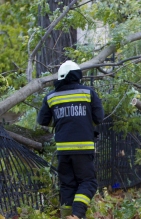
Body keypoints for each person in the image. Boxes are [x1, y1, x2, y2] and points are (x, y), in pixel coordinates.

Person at [37, 60, 104, 219]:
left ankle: (66, 215)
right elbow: (99, 117)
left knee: (67, 184)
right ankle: (77, 214)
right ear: (77, 75)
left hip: (63, 149)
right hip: (83, 148)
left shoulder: (51, 97)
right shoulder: (88, 93)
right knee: (88, 182)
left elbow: (42, 121)